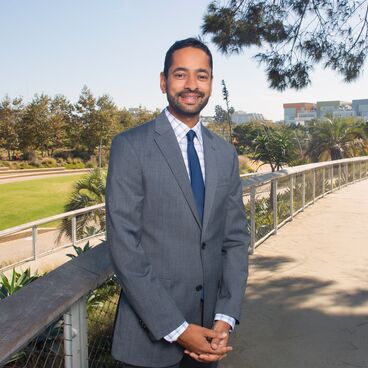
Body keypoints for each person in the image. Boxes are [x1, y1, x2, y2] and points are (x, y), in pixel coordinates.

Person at [106, 38, 249, 368]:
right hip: (148, 341)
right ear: (163, 81)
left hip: (210, 334)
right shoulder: (130, 146)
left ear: (210, 82)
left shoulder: (224, 153)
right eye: (180, 74)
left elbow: (235, 239)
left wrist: (225, 316)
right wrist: (177, 329)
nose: (191, 85)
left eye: (201, 76)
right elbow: (124, 247)